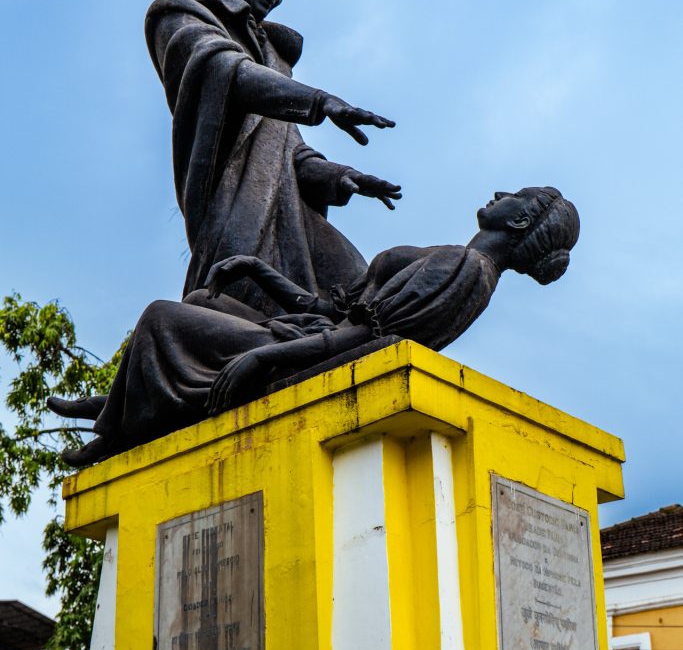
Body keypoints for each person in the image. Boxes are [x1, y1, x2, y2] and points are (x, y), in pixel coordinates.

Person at [49, 187, 579, 467]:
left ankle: (112, 436)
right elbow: (334, 310)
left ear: (519, 221)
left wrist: (263, 356)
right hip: (313, 336)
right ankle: (115, 408)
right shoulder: (468, 268)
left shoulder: (462, 268)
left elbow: (366, 339)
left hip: (310, 354)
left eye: (515, 194)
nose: (499, 192)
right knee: (197, 301)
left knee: (161, 317)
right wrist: (256, 270)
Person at [146, 0, 401, 313]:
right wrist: (320, 101)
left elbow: (289, 152)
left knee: (361, 295)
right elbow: (230, 72)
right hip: (237, 216)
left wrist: (338, 176)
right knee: (247, 312)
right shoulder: (178, 15)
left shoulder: (274, 57)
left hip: (293, 218)